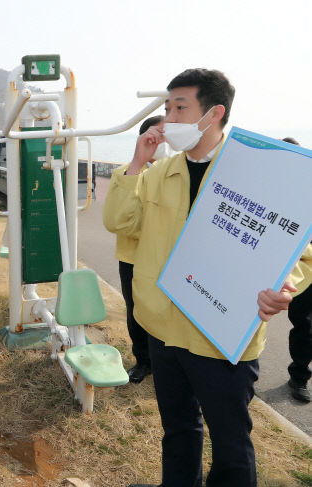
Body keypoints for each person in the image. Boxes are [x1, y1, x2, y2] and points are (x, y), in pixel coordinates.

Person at [104, 69, 312, 487]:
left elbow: (300, 252)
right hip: (163, 331)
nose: (169, 117)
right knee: (179, 432)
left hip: (222, 336)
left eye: (180, 107)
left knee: (232, 445)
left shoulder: (255, 173)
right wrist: (137, 162)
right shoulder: (159, 173)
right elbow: (117, 221)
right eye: (167, 108)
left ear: (214, 112)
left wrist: (283, 287)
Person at [104, 115, 166, 383]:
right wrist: (139, 164)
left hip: (166, 258)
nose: (162, 141)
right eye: (157, 134)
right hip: (132, 258)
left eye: (168, 135)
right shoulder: (125, 173)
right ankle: (143, 361)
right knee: (136, 312)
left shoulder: (176, 176)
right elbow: (118, 221)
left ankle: (164, 363)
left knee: (165, 312)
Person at [280, 136, 312, 402]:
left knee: (306, 326)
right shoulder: (272, 190)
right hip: (277, 269)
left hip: (305, 273)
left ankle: (299, 376)